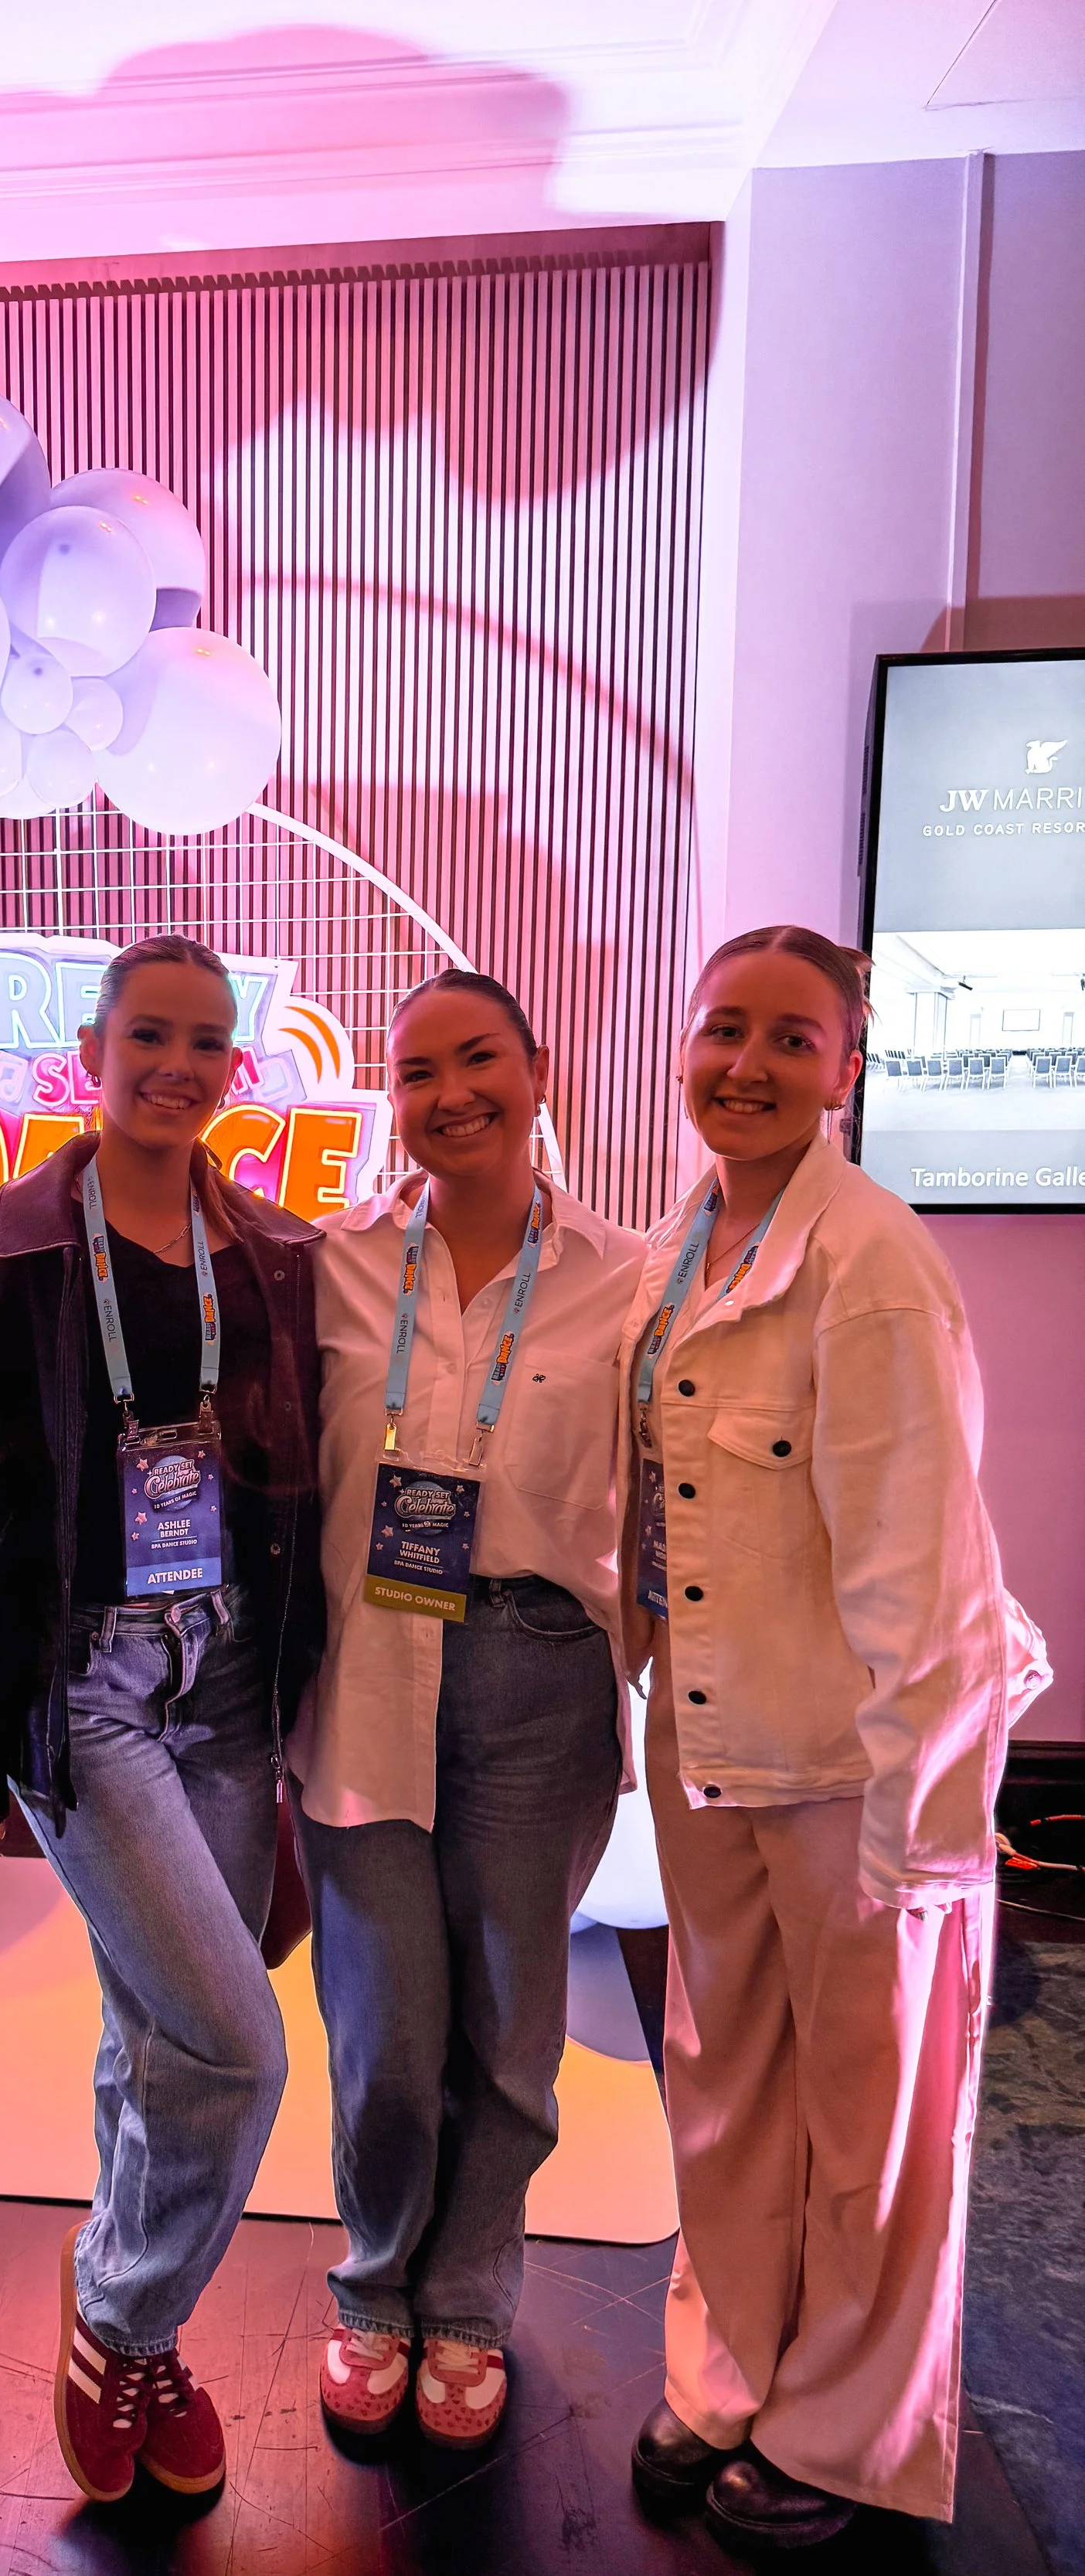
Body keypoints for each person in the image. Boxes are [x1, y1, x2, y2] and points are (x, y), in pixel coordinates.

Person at [0, 933, 325, 2508]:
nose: (175, 1066)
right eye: (149, 1035)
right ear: (93, 1043)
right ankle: (123, 2318)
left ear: (230, 1066)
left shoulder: (268, 1249)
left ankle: (123, 2300)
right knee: (235, 2038)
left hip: (234, 1675)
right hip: (91, 1685)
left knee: (154, 2023)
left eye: (205, 1041)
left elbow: (301, 1482)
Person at [621, 924, 1049, 2550]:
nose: (745, 1063)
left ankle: (851, 2431)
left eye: (788, 1038)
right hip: (707, 1735)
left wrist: (919, 1837)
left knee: (872, 2119)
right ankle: (729, 2367)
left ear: (844, 1069)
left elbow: (925, 1574)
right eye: (721, 1028)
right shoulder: (689, 1243)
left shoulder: (868, 1261)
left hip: (854, 1771)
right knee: (723, 2079)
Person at [290, 968, 645, 2451]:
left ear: (539, 1071)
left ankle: (474, 2299)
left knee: (509, 2022)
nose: (452, 1094)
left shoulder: (633, 1279)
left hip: (535, 1674)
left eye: (480, 1059)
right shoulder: (331, 1267)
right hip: (368, 1667)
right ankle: (377, 2284)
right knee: (383, 2021)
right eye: (419, 1070)